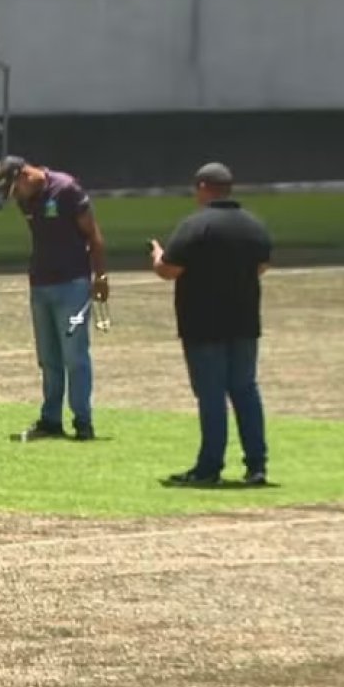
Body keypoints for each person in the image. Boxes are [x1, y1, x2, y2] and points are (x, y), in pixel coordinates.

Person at [148, 162, 272, 487]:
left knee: (212, 395)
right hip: (244, 322)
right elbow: (261, 266)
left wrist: (157, 255)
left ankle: (209, 466)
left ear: (203, 187)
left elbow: (169, 270)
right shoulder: (254, 225)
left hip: (203, 324)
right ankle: (256, 465)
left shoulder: (195, 226)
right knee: (246, 390)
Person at [0, 155, 108, 442]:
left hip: (72, 283)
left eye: (15, 188)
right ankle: (51, 419)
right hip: (40, 284)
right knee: (48, 358)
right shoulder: (26, 200)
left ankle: (83, 421)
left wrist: (100, 276)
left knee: (74, 355)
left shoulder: (66, 189)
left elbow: (93, 235)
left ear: (24, 175)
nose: (15, 196)